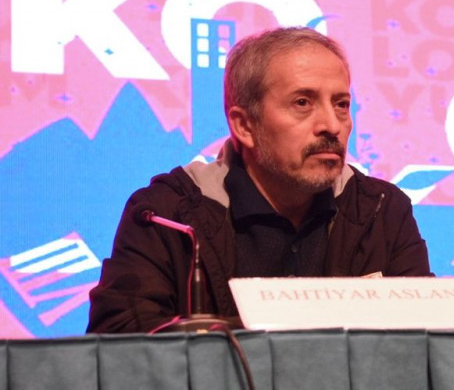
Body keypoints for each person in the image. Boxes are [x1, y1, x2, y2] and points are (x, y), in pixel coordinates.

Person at [88, 26, 431, 332]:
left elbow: (428, 337)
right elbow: (120, 343)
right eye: (302, 102)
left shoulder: (382, 210)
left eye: (341, 104)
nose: (331, 125)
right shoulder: (167, 214)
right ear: (244, 126)